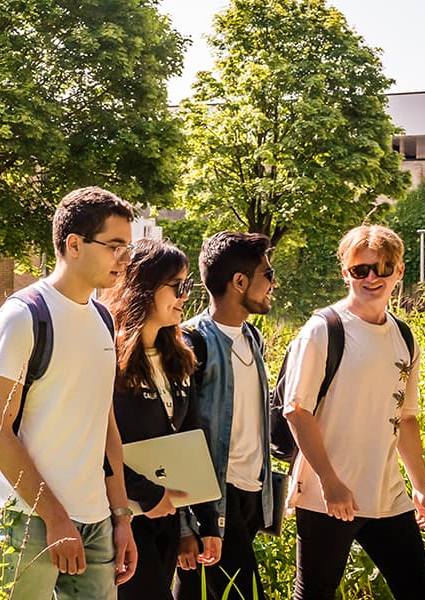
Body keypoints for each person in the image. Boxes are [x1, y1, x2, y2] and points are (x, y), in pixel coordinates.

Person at [0, 186, 139, 599]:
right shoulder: (24, 315)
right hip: (27, 519)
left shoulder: (104, 319)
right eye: (115, 246)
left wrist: (121, 516)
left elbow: (106, 425)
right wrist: (54, 517)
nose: (124, 259)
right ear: (73, 245)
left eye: (127, 247)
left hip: (96, 520)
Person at [283, 224, 425, 599]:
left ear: (399, 271)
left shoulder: (404, 336)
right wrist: (329, 481)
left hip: (387, 493)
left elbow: (406, 418)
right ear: (345, 273)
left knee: (419, 591)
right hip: (329, 497)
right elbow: (296, 410)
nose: (373, 277)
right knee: (315, 594)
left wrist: (421, 489)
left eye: (384, 268)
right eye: (361, 269)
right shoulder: (323, 329)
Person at [177, 232, 280, 599]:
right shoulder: (192, 343)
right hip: (218, 497)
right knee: (246, 592)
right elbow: (178, 437)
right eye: (268, 274)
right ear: (239, 282)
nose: (273, 283)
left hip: (253, 491)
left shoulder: (252, 337)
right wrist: (186, 524)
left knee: (196, 591)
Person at [103, 239, 202, 599]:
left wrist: (187, 524)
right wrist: (149, 494)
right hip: (121, 520)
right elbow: (101, 442)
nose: (185, 296)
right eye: (178, 286)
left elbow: (186, 436)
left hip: (167, 518)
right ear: (144, 285)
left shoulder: (179, 357)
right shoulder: (107, 355)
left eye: (188, 285)